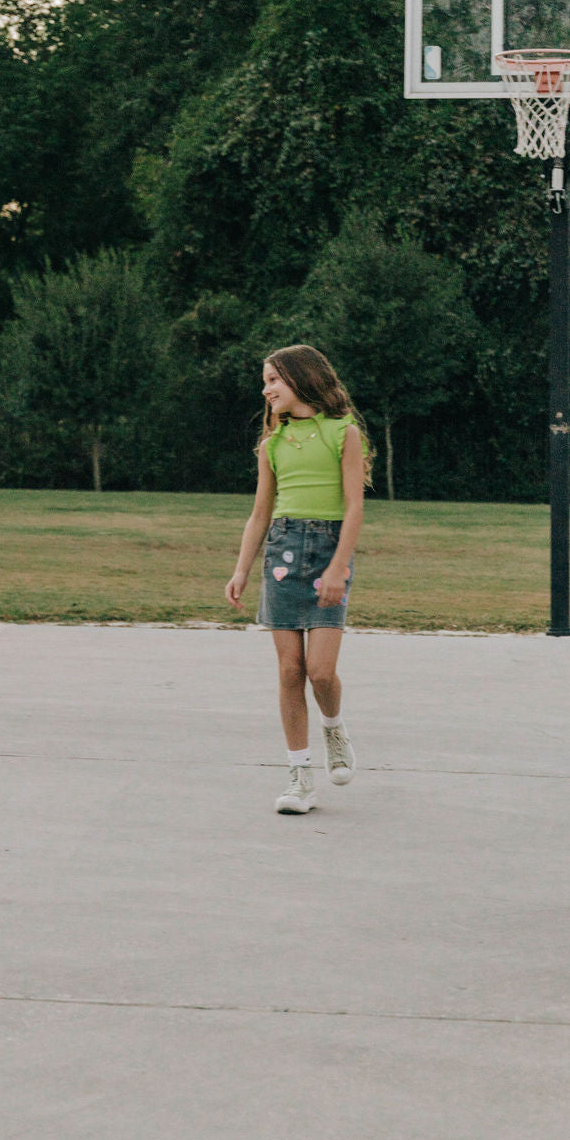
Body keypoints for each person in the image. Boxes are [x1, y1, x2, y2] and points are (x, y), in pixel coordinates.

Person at [225, 344, 370, 814]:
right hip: (282, 556)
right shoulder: (272, 445)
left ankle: (334, 728)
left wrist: (338, 567)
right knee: (290, 671)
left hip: (329, 552)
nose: (265, 389)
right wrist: (242, 569)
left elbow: (354, 508)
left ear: (301, 379)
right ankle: (299, 778)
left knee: (320, 672)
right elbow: (260, 513)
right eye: (265, 382)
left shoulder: (343, 434)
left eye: (273, 380)